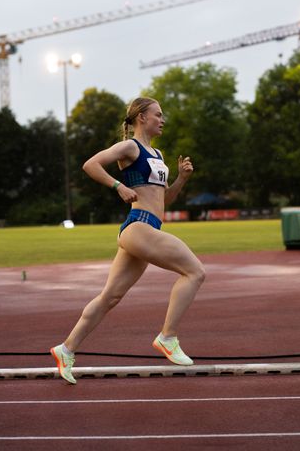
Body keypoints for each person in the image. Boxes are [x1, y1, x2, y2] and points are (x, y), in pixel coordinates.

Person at [50, 97, 206, 384]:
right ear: (141, 117)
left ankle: (66, 349)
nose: (163, 119)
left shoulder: (157, 154)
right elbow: (91, 164)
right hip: (139, 227)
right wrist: (118, 185)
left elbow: (163, 200)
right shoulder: (130, 147)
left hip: (147, 229)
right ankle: (167, 337)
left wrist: (182, 179)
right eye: (158, 114)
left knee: (110, 296)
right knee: (195, 272)